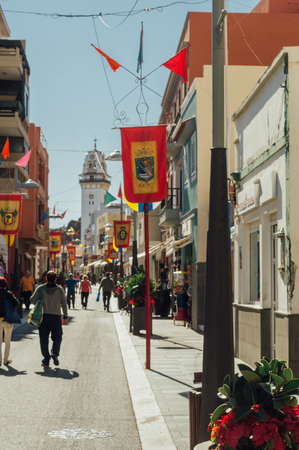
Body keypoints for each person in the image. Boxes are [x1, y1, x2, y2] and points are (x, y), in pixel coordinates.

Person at [30, 271, 68, 368]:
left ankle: (46, 360)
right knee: (57, 337)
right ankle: (54, 353)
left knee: (43, 339)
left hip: (43, 317)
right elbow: (64, 304)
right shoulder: (60, 290)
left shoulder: (41, 288)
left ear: (46, 279)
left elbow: (32, 300)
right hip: (55, 317)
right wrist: (65, 316)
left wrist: (40, 299)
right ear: (55, 279)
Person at [0, 277, 19, 366]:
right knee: (7, 340)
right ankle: (5, 359)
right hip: (7, 319)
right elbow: (16, 303)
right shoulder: (8, 294)